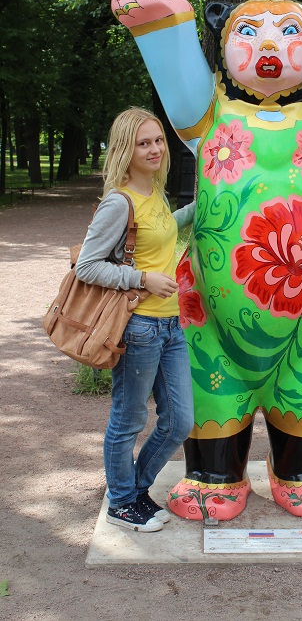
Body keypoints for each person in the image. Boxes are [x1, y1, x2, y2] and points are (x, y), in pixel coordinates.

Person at [76, 107, 195, 532]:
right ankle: (123, 503)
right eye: (144, 143)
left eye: (158, 140)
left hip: (171, 325)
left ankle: (133, 489)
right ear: (126, 150)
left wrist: (200, 208)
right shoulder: (118, 202)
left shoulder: (155, 193)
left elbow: (159, 233)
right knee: (128, 421)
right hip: (138, 326)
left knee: (180, 421)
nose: (155, 149)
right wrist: (141, 278)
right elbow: (87, 266)